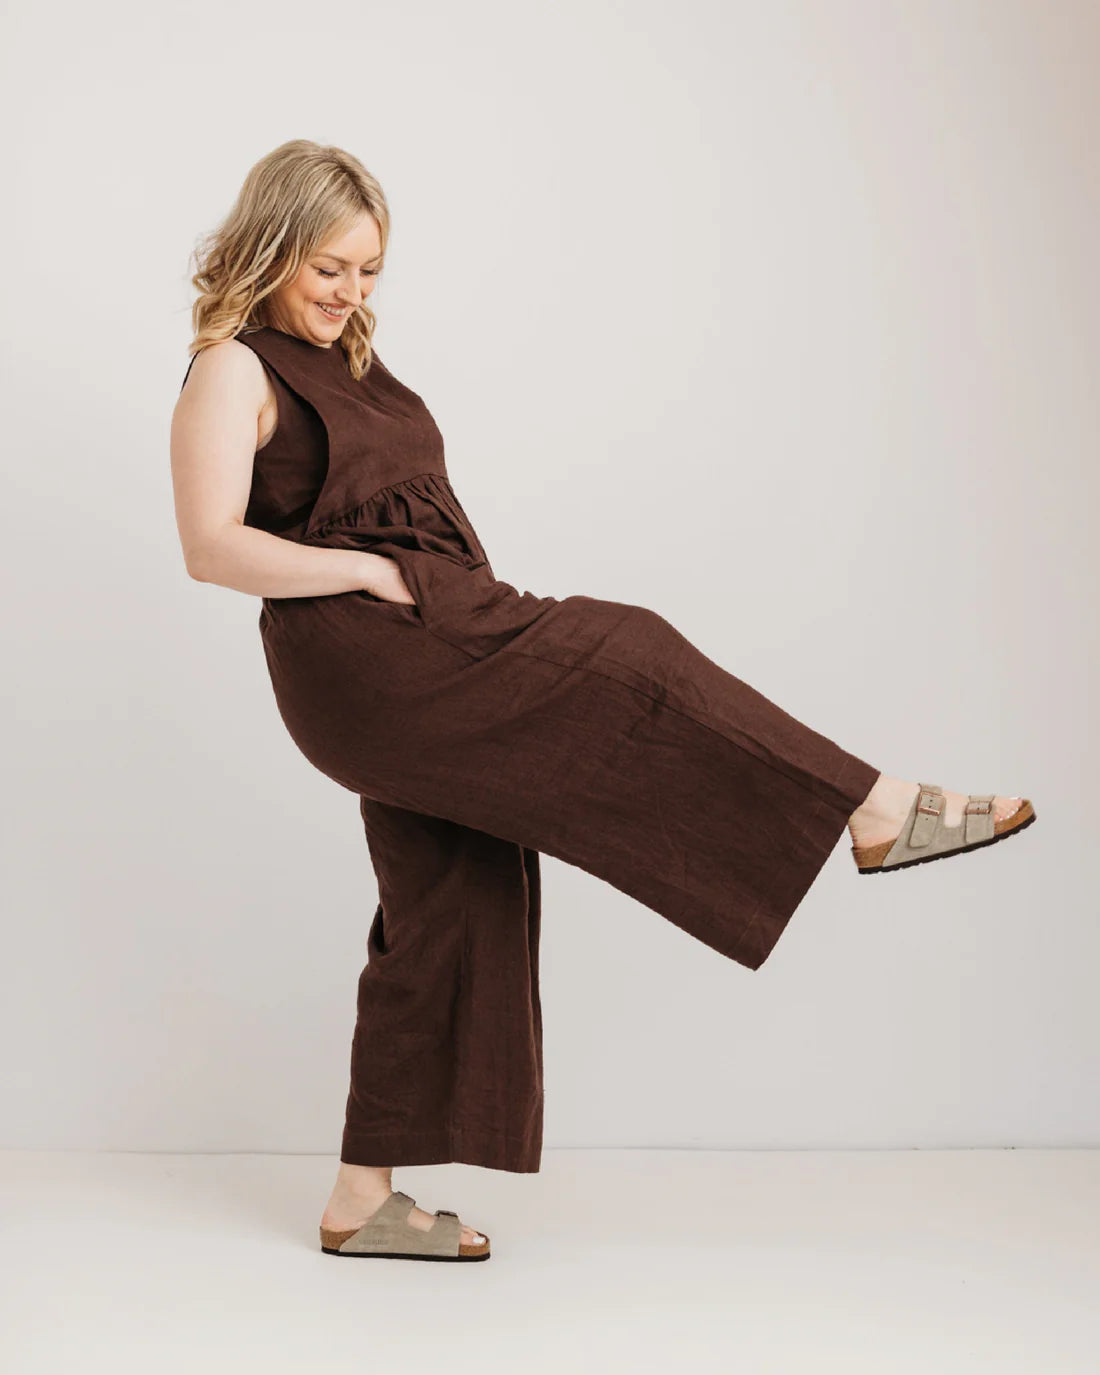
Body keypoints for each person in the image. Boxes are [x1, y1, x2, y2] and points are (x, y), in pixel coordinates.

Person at [170, 140, 1036, 1264]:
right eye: (328, 269)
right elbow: (208, 547)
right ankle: (872, 807)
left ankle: (357, 1195)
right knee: (627, 650)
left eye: (370, 270)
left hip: (437, 625)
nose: (349, 293)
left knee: (452, 887)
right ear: (274, 245)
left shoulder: (355, 360)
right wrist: (374, 574)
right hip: (370, 661)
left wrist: (423, 582)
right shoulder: (230, 367)